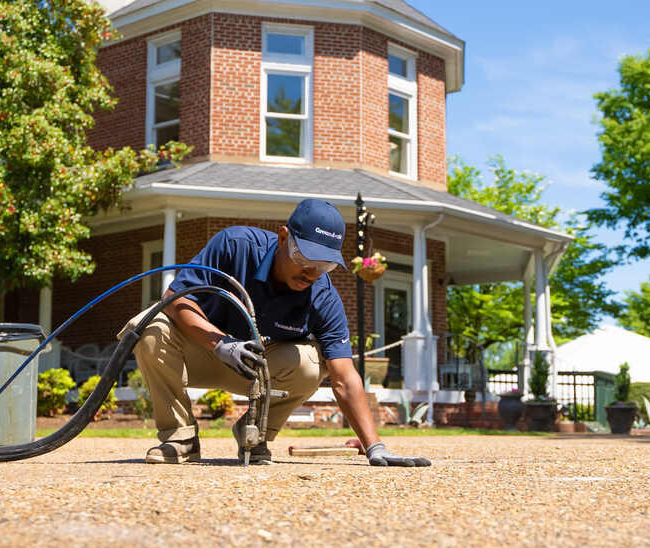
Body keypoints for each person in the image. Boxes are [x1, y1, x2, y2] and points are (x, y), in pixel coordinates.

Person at [120, 198, 430, 467]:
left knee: (311, 364)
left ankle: (254, 435)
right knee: (150, 325)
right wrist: (221, 344)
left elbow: (344, 377)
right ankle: (181, 439)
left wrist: (374, 446)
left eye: (323, 266)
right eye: (304, 259)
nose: (311, 273)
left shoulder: (323, 296)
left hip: (254, 369)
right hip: (199, 352)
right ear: (283, 238)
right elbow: (175, 299)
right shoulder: (235, 246)